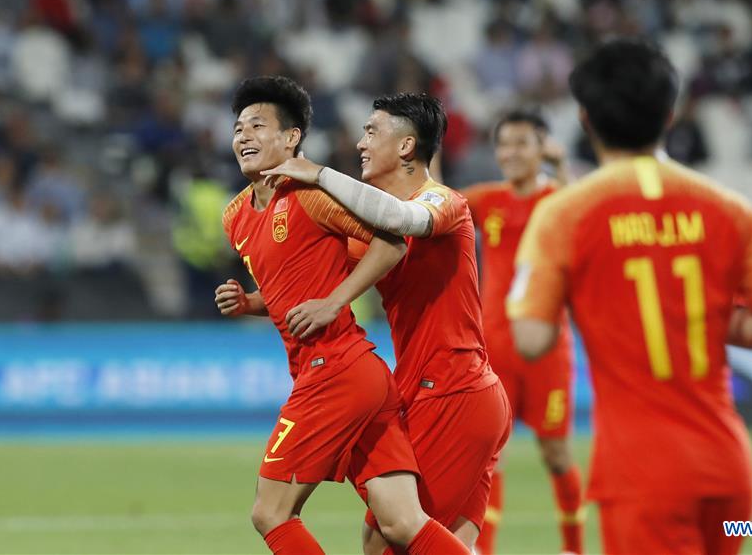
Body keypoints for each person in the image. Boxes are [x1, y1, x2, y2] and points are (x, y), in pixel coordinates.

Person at [507, 39, 752, 555]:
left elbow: (530, 338)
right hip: (724, 460)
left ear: (585, 119)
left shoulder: (565, 214)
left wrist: (593, 300)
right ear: (670, 114)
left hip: (640, 468)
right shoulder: (724, 207)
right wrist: (713, 322)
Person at [214, 76, 471, 555]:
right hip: (361, 377)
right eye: (237, 129)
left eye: (257, 125)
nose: (243, 136)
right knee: (401, 521)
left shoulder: (312, 195)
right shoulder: (235, 216)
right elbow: (295, 284)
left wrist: (336, 302)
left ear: (291, 138)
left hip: (333, 370)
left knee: (270, 512)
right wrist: (251, 302)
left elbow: (392, 242)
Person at [260, 92, 511, 554]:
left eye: (372, 131)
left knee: (395, 533)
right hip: (425, 388)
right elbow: (320, 275)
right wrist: (256, 300)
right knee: (400, 539)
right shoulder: (373, 229)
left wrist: (318, 173)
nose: (360, 143)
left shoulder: (443, 201)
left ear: (406, 147)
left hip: (454, 389)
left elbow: (403, 219)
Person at [460, 110, 582, 555]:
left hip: (547, 347)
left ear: (542, 148)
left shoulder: (557, 198)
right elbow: (434, 202)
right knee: (492, 457)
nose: (510, 153)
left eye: (521, 143)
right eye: (504, 144)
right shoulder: (487, 199)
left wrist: (563, 167)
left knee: (556, 454)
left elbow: (584, 213)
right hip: (495, 347)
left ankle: (573, 547)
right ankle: (482, 549)